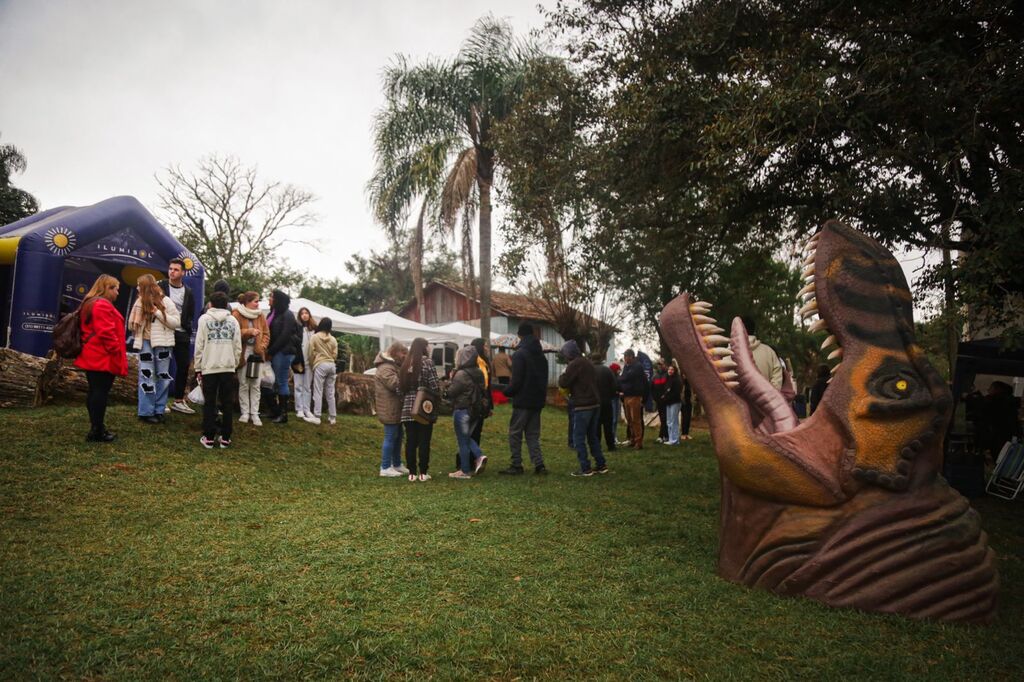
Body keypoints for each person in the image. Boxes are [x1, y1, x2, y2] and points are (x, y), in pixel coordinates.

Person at [74, 274, 128, 442]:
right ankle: (97, 430)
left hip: (93, 354)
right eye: (116, 289)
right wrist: (115, 351)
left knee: (94, 391)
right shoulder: (102, 305)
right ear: (107, 288)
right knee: (100, 392)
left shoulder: (89, 303)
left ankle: (96, 427)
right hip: (102, 356)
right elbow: (106, 332)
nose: (118, 293)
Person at [128, 274, 180, 424]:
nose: (137, 288)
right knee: (146, 376)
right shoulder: (139, 302)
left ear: (146, 286)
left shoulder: (166, 301)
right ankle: (145, 411)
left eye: (139, 285)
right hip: (145, 342)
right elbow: (132, 325)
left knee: (162, 377)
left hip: (163, 343)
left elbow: (176, 323)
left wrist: (156, 312)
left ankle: (159, 409)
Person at [193, 291, 241, 448]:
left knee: (210, 402)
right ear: (226, 305)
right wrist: (234, 364)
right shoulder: (233, 321)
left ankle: (208, 437)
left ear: (210, 304)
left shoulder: (204, 319)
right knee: (227, 402)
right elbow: (237, 346)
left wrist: (197, 367)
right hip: (228, 366)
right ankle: (226, 437)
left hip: (209, 366)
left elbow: (199, 345)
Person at [500, 322, 549, 475]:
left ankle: (516, 464)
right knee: (533, 434)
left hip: (522, 401)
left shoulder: (520, 354)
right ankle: (539, 465)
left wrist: (507, 392)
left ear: (520, 335)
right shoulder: (541, 356)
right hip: (537, 401)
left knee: (515, 432)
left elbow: (516, 381)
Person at [558, 340, 608, 476]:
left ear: (569, 353)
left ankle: (585, 468)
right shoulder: (588, 363)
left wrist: (563, 373)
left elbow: (564, 382)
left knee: (578, 437)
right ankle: (601, 464)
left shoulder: (574, 364)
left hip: (582, 405)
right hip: (595, 403)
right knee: (592, 436)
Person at [400, 337, 441, 481]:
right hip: (424, 407)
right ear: (424, 347)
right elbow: (434, 385)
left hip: (407, 407)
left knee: (410, 441)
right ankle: (423, 473)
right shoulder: (427, 362)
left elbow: (400, 389)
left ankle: (411, 473)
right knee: (424, 440)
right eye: (427, 346)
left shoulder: (405, 364)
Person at [160, 258, 197, 414]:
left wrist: (187, 327)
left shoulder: (188, 291)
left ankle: (178, 400)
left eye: (176, 269)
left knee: (183, 365)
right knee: (162, 366)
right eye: (170, 268)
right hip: (164, 331)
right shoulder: (161, 286)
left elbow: (189, 312)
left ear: (183, 272)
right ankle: (160, 402)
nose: (172, 272)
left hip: (181, 332)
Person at [448, 345, 488, 479]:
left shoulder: (461, 374)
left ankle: (468, 466)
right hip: (475, 410)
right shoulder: (479, 372)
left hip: (462, 409)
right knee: (466, 438)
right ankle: (471, 462)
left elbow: (452, 392)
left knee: (463, 440)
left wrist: (450, 380)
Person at [232, 291, 270, 425]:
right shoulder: (236, 314)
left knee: (256, 384)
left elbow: (266, 333)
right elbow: (234, 332)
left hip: (257, 353)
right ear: (247, 302)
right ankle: (245, 412)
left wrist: (262, 346)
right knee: (243, 383)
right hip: (243, 353)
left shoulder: (261, 315)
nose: (258, 304)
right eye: (255, 301)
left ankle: (255, 413)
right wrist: (249, 332)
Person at [374, 342, 409, 477]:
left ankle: (397, 464)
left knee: (399, 436)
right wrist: (406, 375)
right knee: (390, 437)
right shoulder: (385, 368)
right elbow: (395, 384)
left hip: (395, 407)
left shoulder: (392, 366)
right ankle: (385, 466)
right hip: (389, 408)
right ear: (395, 352)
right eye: (403, 353)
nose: (405, 356)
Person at [266, 289, 299, 424]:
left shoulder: (288, 315)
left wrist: (271, 351)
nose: (269, 299)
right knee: (273, 382)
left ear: (277, 300)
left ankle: (283, 414)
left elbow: (284, 336)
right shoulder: (272, 314)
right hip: (275, 351)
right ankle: (275, 411)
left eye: (271, 297)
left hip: (283, 352)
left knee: (281, 382)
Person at [304, 317, 338, 425]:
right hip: (331, 365)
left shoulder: (314, 337)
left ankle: (317, 416)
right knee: (330, 392)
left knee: (318, 390)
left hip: (320, 364)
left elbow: (310, 352)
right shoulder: (333, 339)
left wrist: (312, 362)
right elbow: (335, 354)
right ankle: (332, 417)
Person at [741, 315, 783, 389]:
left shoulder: (728, 353)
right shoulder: (770, 353)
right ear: (753, 330)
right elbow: (777, 383)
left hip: (733, 400)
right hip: (766, 399)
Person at [619, 349, 648, 449]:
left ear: (631, 356)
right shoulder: (626, 367)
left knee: (636, 420)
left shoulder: (637, 366)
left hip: (635, 396)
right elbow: (622, 378)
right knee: (629, 420)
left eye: (626, 356)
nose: (625, 358)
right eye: (624, 356)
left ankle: (638, 442)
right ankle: (632, 439)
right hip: (626, 396)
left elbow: (626, 377)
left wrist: (623, 379)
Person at [293, 307, 316, 420]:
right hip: (298, 360)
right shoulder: (297, 328)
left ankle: (307, 409)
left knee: (307, 387)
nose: (304, 315)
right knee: (298, 386)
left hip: (310, 362)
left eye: (306, 313)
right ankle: (299, 409)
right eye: (302, 313)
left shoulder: (314, 329)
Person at [469, 337, 493, 445]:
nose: (487, 348)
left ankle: (471, 458)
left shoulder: (482, 361)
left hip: (478, 401)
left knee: (475, 432)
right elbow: (485, 385)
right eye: (485, 345)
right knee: (474, 432)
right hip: (476, 401)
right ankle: (471, 458)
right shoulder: (479, 363)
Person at [594, 354, 619, 451]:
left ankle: (597, 446)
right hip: (607, 402)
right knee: (608, 425)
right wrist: (610, 396)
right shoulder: (607, 370)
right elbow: (614, 386)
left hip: (595, 402)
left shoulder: (590, 371)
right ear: (601, 360)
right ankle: (611, 445)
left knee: (596, 425)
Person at [662, 363, 683, 445]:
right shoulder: (668, 379)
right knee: (669, 421)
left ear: (675, 371)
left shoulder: (677, 380)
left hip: (675, 402)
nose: (670, 371)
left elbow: (676, 393)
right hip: (668, 403)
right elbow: (666, 391)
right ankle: (671, 438)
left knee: (674, 421)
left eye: (672, 370)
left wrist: (667, 397)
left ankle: (674, 440)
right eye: (669, 369)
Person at [651, 359, 669, 443]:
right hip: (658, 400)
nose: (660, 366)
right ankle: (664, 435)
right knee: (662, 418)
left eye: (661, 364)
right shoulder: (655, 375)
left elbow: (669, 387)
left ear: (664, 365)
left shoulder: (667, 375)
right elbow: (651, 387)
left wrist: (665, 396)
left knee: (665, 418)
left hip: (666, 400)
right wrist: (654, 397)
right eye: (658, 364)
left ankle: (663, 435)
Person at [680, 371, 693, 441]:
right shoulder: (682, 383)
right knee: (684, 418)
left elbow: (691, 393)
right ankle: (683, 434)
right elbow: (681, 393)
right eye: (684, 374)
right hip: (683, 402)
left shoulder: (689, 384)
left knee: (688, 418)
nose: (685, 376)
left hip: (689, 402)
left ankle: (687, 433)